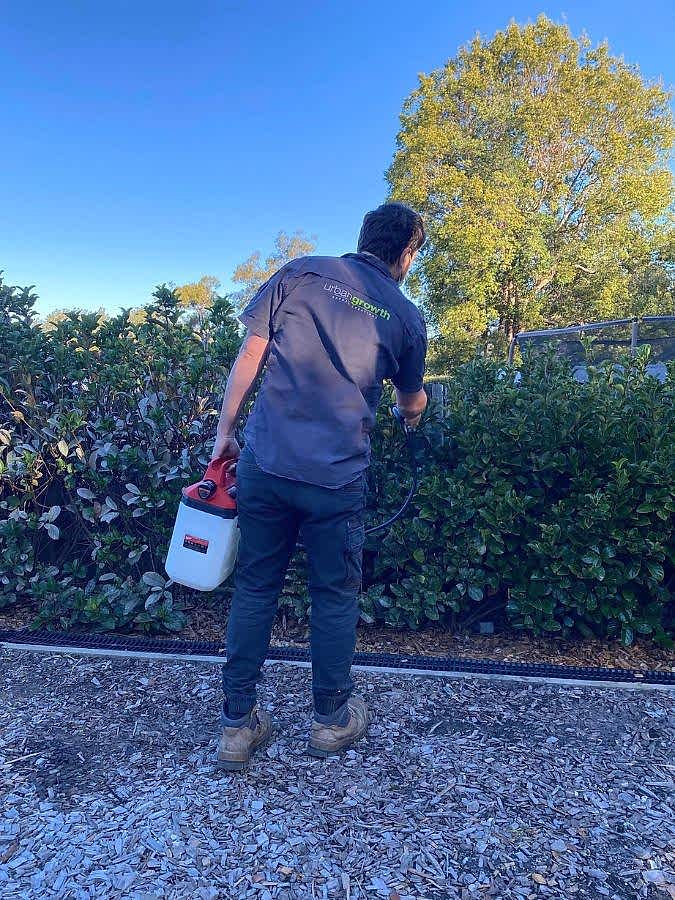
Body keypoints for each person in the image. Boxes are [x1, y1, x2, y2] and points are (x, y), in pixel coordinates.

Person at [212, 202, 428, 770]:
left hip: (266, 463)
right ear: (406, 255)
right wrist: (416, 413)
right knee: (333, 594)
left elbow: (250, 357)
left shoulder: (299, 273)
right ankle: (331, 720)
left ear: (362, 238)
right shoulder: (405, 317)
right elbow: (411, 401)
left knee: (256, 586)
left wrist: (225, 432)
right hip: (335, 479)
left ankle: (237, 726)